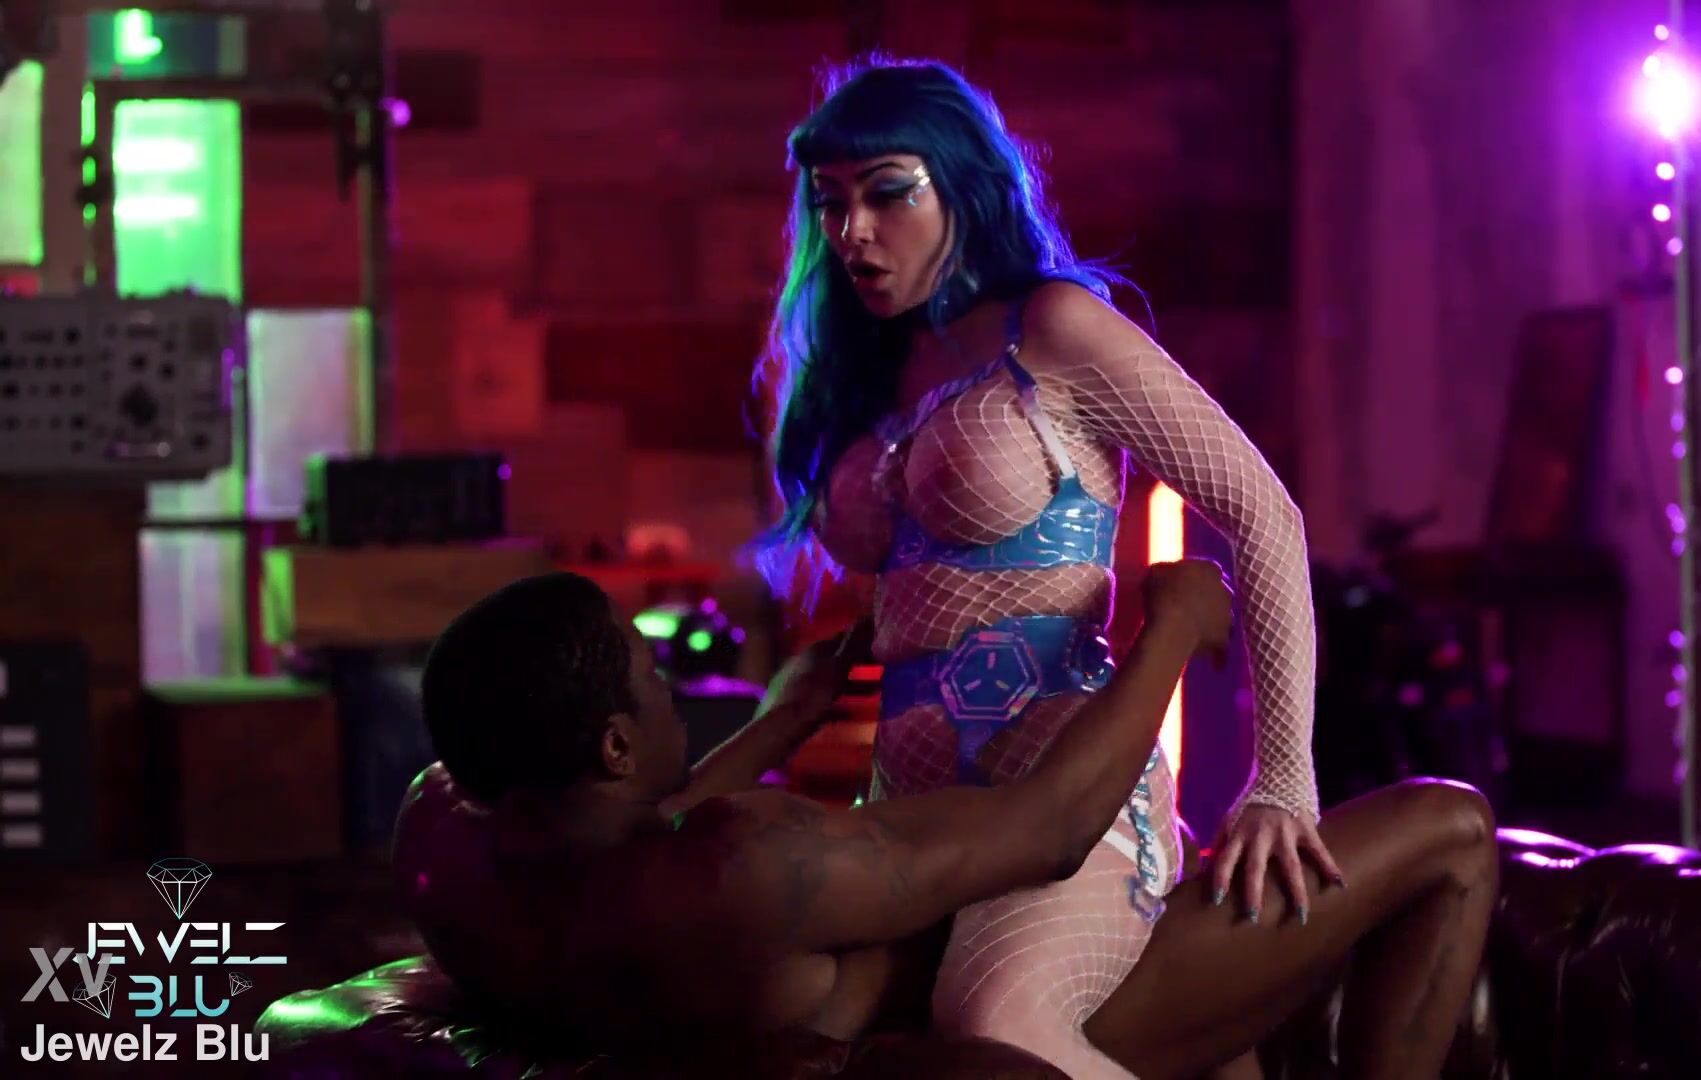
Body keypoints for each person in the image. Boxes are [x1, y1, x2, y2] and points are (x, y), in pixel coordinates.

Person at [751, 57, 1481, 1075]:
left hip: (1072, 792)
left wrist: (1284, 778)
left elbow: (1264, 513)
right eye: (830, 203)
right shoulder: (866, 370)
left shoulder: (1053, 328)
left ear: (962, 185)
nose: (852, 231)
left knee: (996, 1027)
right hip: (915, 818)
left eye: (887, 193)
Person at [402, 567, 1498, 1079]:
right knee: (1452, 829)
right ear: (612, 745)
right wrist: (1172, 629)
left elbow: (621, 835)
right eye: (652, 677)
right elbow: (1050, 828)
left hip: (933, 982)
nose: (671, 689)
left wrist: (780, 723)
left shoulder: (448, 842)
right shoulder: (752, 867)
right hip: (1022, 1000)